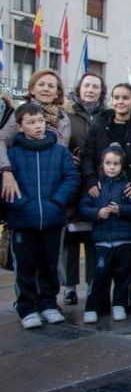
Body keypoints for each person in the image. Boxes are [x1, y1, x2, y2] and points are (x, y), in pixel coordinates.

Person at [3, 103, 80, 329]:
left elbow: (71, 178)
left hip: (52, 218)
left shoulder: (59, 151)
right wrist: (22, 205)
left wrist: (56, 202)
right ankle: (26, 307)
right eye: (31, 122)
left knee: (49, 263)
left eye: (40, 121)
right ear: (19, 127)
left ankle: (48, 303)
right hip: (23, 220)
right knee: (25, 265)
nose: (37, 126)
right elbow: (6, 185)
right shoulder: (13, 154)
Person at [82, 83, 131, 308]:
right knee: (100, 248)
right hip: (102, 190)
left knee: (129, 247)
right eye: (116, 97)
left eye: (125, 98)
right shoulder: (100, 123)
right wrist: (91, 179)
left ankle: (126, 294)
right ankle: (98, 296)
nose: (120, 102)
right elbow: (88, 153)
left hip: (130, 192)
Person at [79, 144, 131, 324]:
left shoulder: (127, 187)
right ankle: (92, 307)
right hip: (102, 239)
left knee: (123, 275)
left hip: (125, 239)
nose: (112, 167)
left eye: (116, 164)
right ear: (102, 164)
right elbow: (84, 208)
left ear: (122, 166)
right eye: (108, 163)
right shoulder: (95, 187)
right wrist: (97, 213)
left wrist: (121, 209)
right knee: (99, 276)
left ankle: (119, 304)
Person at [62, 72, 108, 305]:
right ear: (79, 88)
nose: (90, 90)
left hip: (97, 182)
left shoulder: (105, 116)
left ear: (102, 91)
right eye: (87, 85)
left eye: (95, 87)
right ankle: (69, 286)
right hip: (73, 180)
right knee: (70, 236)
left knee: (93, 236)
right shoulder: (67, 114)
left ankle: (92, 283)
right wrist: (68, 157)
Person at [1, 69, 72, 203]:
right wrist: (6, 170)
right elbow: (2, 140)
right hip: (27, 183)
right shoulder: (20, 113)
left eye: (51, 86)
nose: (46, 89)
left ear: (57, 93)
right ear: (32, 89)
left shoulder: (63, 118)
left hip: (54, 185)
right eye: (41, 84)